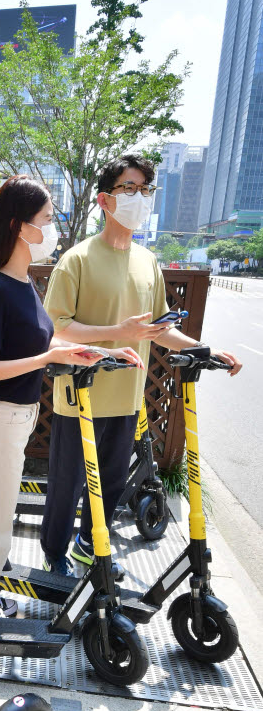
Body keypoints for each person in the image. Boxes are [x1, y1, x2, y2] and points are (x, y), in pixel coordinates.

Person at [40, 153, 242, 576]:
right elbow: (54, 329)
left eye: (146, 189)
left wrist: (203, 349)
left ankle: (86, 547)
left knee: (112, 484)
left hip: (127, 396)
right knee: (66, 485)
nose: (141, 197)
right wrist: (118, 330)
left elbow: (157, 329)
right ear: (104, 200)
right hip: (80, 396)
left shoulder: (147, 260)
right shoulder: (76, 259)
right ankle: (53, 555)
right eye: (129, 188)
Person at [0, 175, 141, 619]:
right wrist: (47, 358)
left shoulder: (23, 284)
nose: (53, 227)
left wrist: (98, 352)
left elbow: (46, 343)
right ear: (20, 227)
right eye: (46, 218)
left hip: (10, 420)